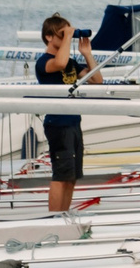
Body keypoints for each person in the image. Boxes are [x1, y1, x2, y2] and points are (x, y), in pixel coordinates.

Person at [35, 13, 102, 214]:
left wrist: (87, 53)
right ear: (48, 37)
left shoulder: (71, 62)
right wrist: (68, 36)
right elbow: (60, 64)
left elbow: (97, 80)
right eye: (61, 34)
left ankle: (63, 214)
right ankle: (54, 217)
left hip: (73, 122)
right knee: (61, 175)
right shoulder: (44, 62)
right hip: (58, 123)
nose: (67, 38)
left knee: (71, 176)